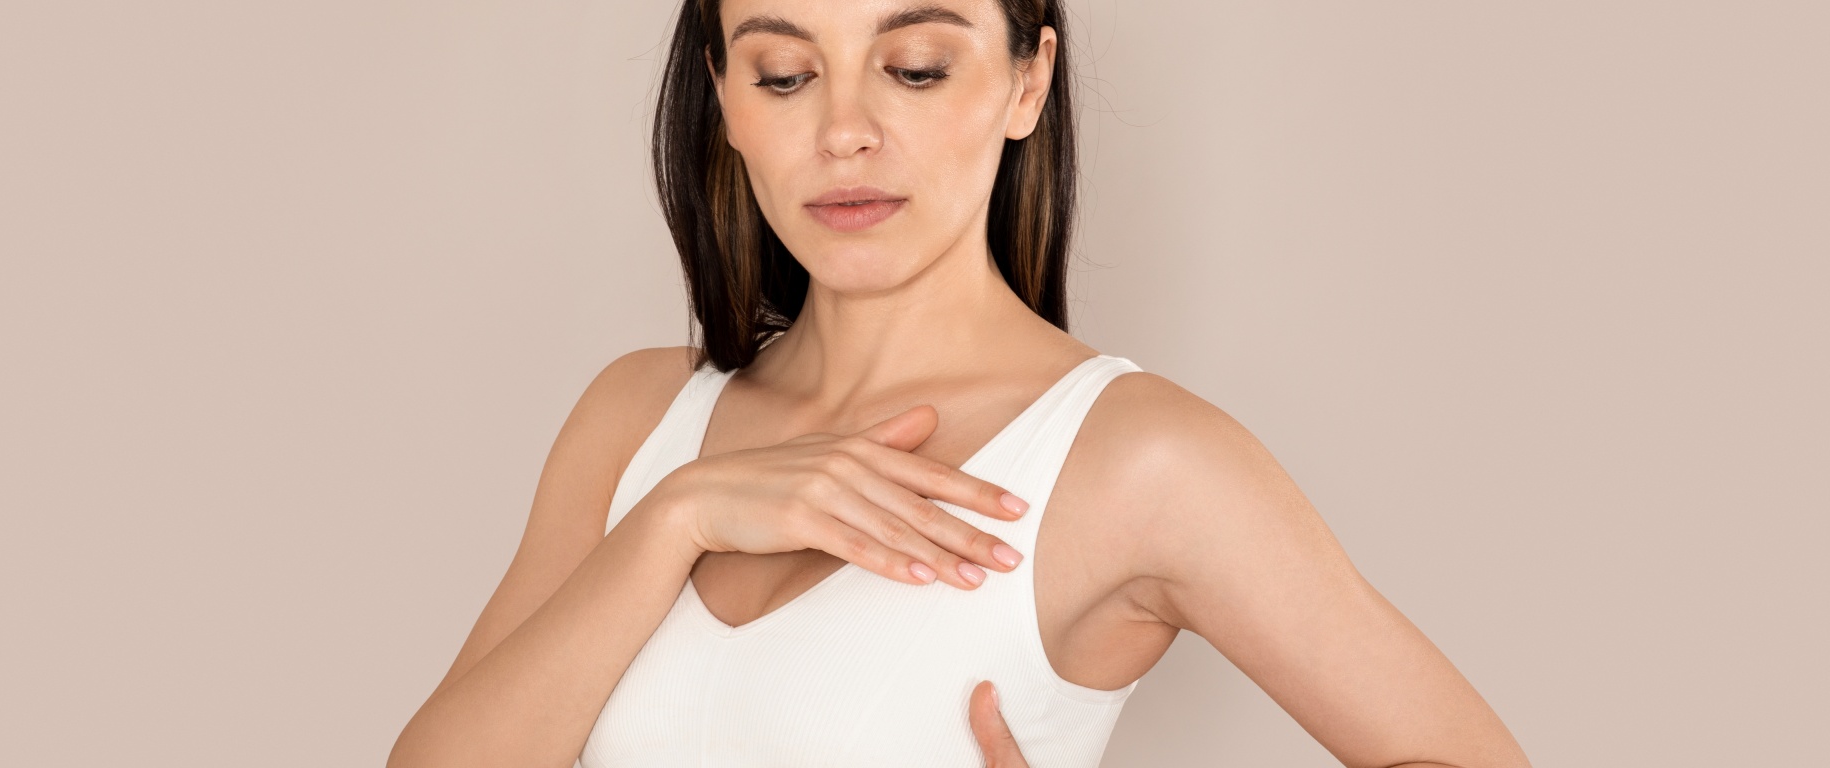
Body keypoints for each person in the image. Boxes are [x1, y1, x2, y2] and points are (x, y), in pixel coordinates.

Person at [389, 1, 1531, 766]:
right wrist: (678, 518)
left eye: (916, 68)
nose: (844, 131)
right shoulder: (635, 419)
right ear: (723, 97)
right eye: (784, 75)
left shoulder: (1137, 461)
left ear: (1029, 82)